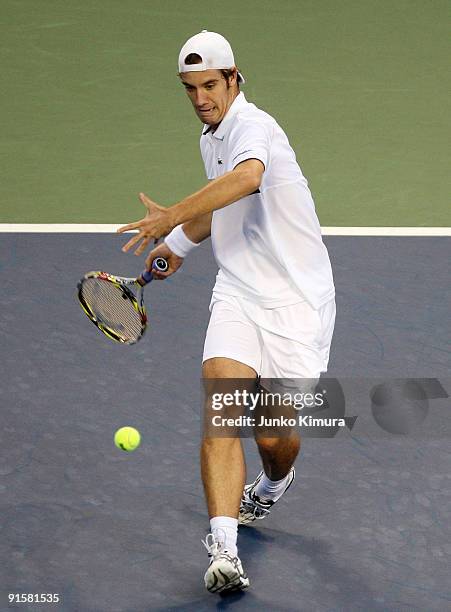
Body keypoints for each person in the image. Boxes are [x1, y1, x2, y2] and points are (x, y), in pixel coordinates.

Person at [118, 30, 336, 594]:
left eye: (210, 85)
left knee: (273, 437)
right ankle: (223, 548)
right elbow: (223, 201)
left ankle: (272, 484)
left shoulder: (252, 127)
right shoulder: (212, 137)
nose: (200, 98)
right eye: (190, 88)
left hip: (298, 304)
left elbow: (246, 179)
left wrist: (169, 218)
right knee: (221, 411)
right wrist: (178, 249)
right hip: (238, 290)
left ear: (235, 78)